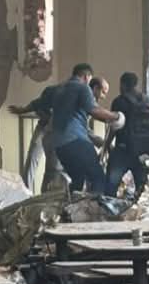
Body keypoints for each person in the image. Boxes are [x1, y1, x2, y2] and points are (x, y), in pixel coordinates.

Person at [50, 63, 122, 194]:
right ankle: (93, 207)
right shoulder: (83, 88)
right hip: (75, 140)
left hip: (58, 144)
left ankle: (72, 206)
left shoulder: (59, 89)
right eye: (103, 92)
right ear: (86, 76)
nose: (103, 96)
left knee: (78, 181)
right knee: (98, 178)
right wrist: (116, 116)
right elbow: (94, 111)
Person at [107, 71, 149, 196]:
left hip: (124, 149)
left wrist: (108, 145)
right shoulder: (147, 100)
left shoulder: (119, 101)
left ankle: (108, 205)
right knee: (142, 189)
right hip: (143, 152)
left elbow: (114, 127)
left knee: (111, 184)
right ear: (136, 84)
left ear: (123, 85)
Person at [10, 83, 61, 192]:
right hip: (43, 127)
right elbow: (35, 105)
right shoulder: (51, 93)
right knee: (33, 157)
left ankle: (48, 193)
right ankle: (25, 191)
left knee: (53, 166)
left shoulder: (68, 100)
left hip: (57, 132)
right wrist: (22, 110)